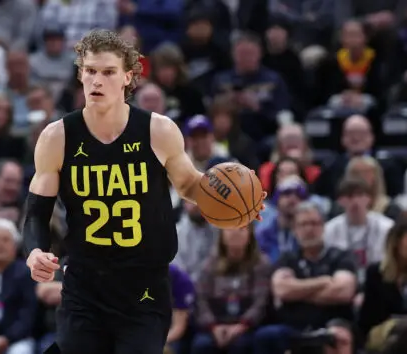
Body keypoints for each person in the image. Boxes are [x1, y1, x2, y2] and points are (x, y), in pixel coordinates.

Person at [23, 29, 265, 354]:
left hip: (144, 285)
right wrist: (35, 250)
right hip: (84, 282)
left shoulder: (158, 130)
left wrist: (232, 205)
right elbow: (38, 210)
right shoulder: (58, 137)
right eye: (90, 71)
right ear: (80, 74)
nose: (97, 80)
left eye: (108, 72)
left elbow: (190, 184)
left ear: (127, 77)